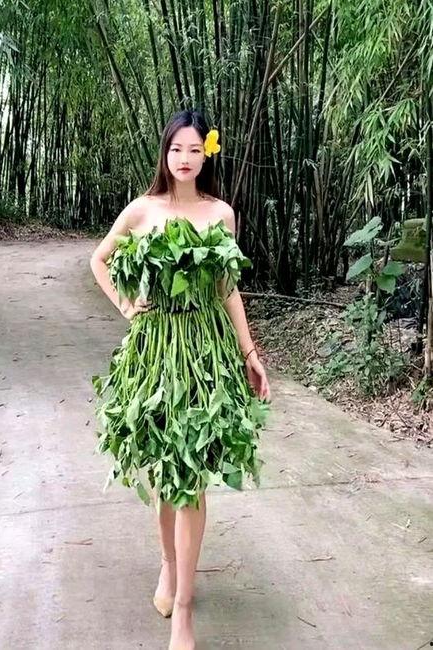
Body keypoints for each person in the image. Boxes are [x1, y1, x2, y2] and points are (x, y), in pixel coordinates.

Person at [89, 108, 271, 650]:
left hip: (204, 352)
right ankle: (169, 566)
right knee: (165, 475)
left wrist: (249, 352)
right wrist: (128, 306)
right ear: (164, 153)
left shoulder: (221, 213)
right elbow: (99, 259)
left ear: (206, 155)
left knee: (190, 478)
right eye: (176, 149)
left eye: (194, 150)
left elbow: (227, 289)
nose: (184, 159)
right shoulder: (142, 210)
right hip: (155, 353)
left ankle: (184, 611)